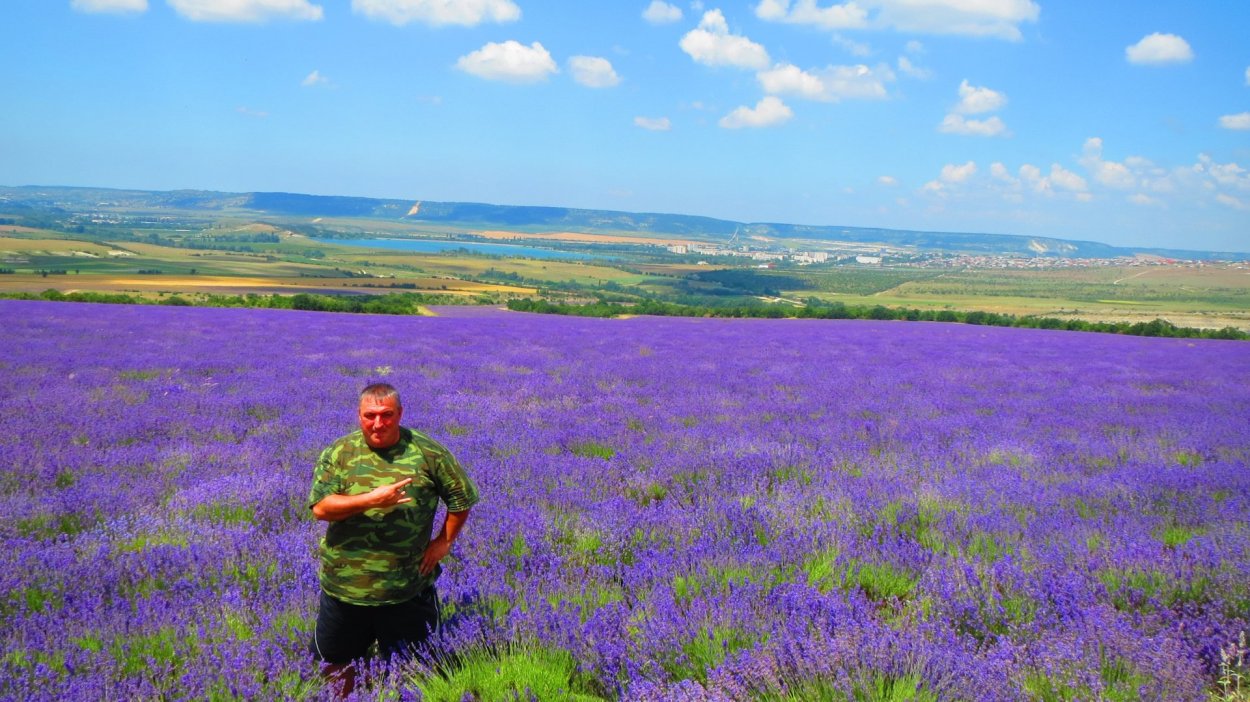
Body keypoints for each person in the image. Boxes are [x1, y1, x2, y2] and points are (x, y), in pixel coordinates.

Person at [309, 382, 479, 696]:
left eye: (386, 415)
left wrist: (444, 542)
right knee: (336, 666)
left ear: (400, 414)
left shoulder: (428, 452)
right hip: (345, 589)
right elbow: (321, 508)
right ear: (359, 416)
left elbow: (461, 498)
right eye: (369, 415)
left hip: (407, 589)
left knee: (416, 668)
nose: (378, 423)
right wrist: (370, 500)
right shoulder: (339, 452)